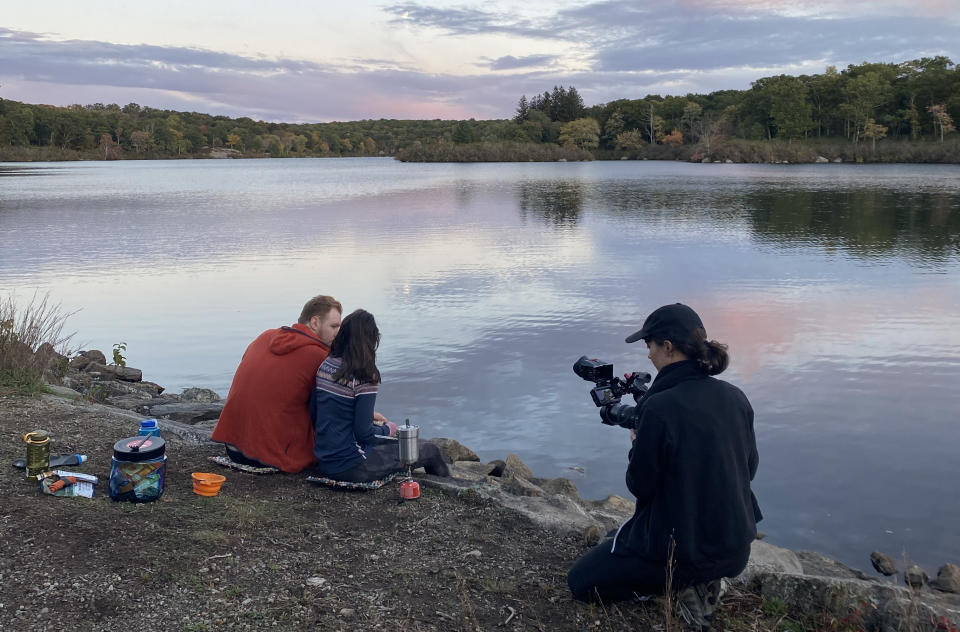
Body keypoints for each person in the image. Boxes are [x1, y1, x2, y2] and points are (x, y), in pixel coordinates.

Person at [567, 303, 761, 628]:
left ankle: (683, 586)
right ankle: (703, 577)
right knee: (622, 539)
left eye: (649, 345)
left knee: (580, 581)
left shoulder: (658, 408)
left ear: (667, 347)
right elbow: (748, 470)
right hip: (737, 549)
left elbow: (640, 485)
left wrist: (636, 446)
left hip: (680, 554)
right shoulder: (735, 396)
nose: (648, 356)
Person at [310, 309, 450, 483]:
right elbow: (364, 435)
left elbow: (317, 412)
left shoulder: (325, 365)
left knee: (401, 444)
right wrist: (389, 429)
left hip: (325, 461)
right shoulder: (364, 376)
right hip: (353, 466)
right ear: (371, 340)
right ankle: (449, 486)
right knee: (430, 449)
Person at [210, 295, 343, 473]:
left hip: (232, 447)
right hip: (269, 457)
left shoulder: (265, 337)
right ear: (314, 322)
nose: (338, 333)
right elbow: (334, 408)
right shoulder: (318, 357)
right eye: (334, 326)